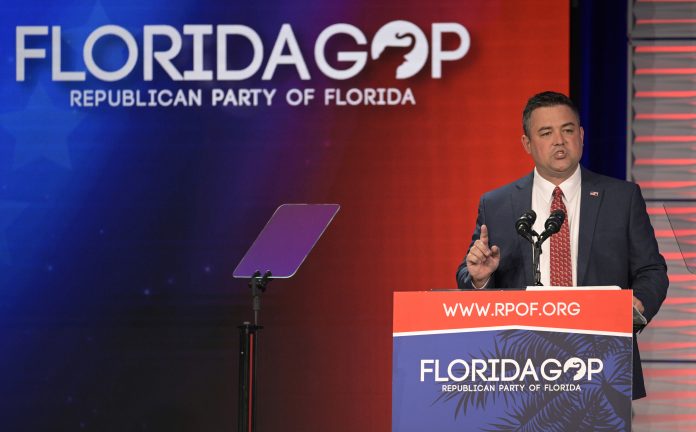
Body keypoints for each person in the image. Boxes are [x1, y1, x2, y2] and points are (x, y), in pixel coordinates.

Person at [456, 91, 668, 399]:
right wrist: (480, 278)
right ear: (527, 144)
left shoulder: (621, 198)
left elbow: (652, 270)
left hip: (602, 361)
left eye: (568, 130)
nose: (559, 140)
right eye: (546, 132)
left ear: (581, 136)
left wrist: (637, 305)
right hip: (521, 367)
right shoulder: (497, 204)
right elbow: (469, 273)